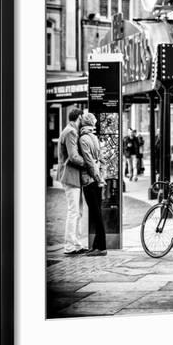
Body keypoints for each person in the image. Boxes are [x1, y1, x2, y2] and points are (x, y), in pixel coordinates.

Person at [57, 107, 88, 255]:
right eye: (82, 118)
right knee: (74, 211)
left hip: (72, 176)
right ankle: (70, 246)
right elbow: (73, 156)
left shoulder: (69, 130)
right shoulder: (70, 132)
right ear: (79, 117)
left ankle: (76, 244)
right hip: (70, 176)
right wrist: (88, 163)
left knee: (78, 211)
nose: (82, 121)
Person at [79, 112, 107, 256]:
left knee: (96, 215)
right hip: (97, 181)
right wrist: (101, 176)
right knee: (97, 213)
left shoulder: (83, 139)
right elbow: (102, 160)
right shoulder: (94, 137)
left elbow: (89, 162)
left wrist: (97, 177)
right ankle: (97, 245)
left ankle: (101, 247)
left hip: (90, 181)